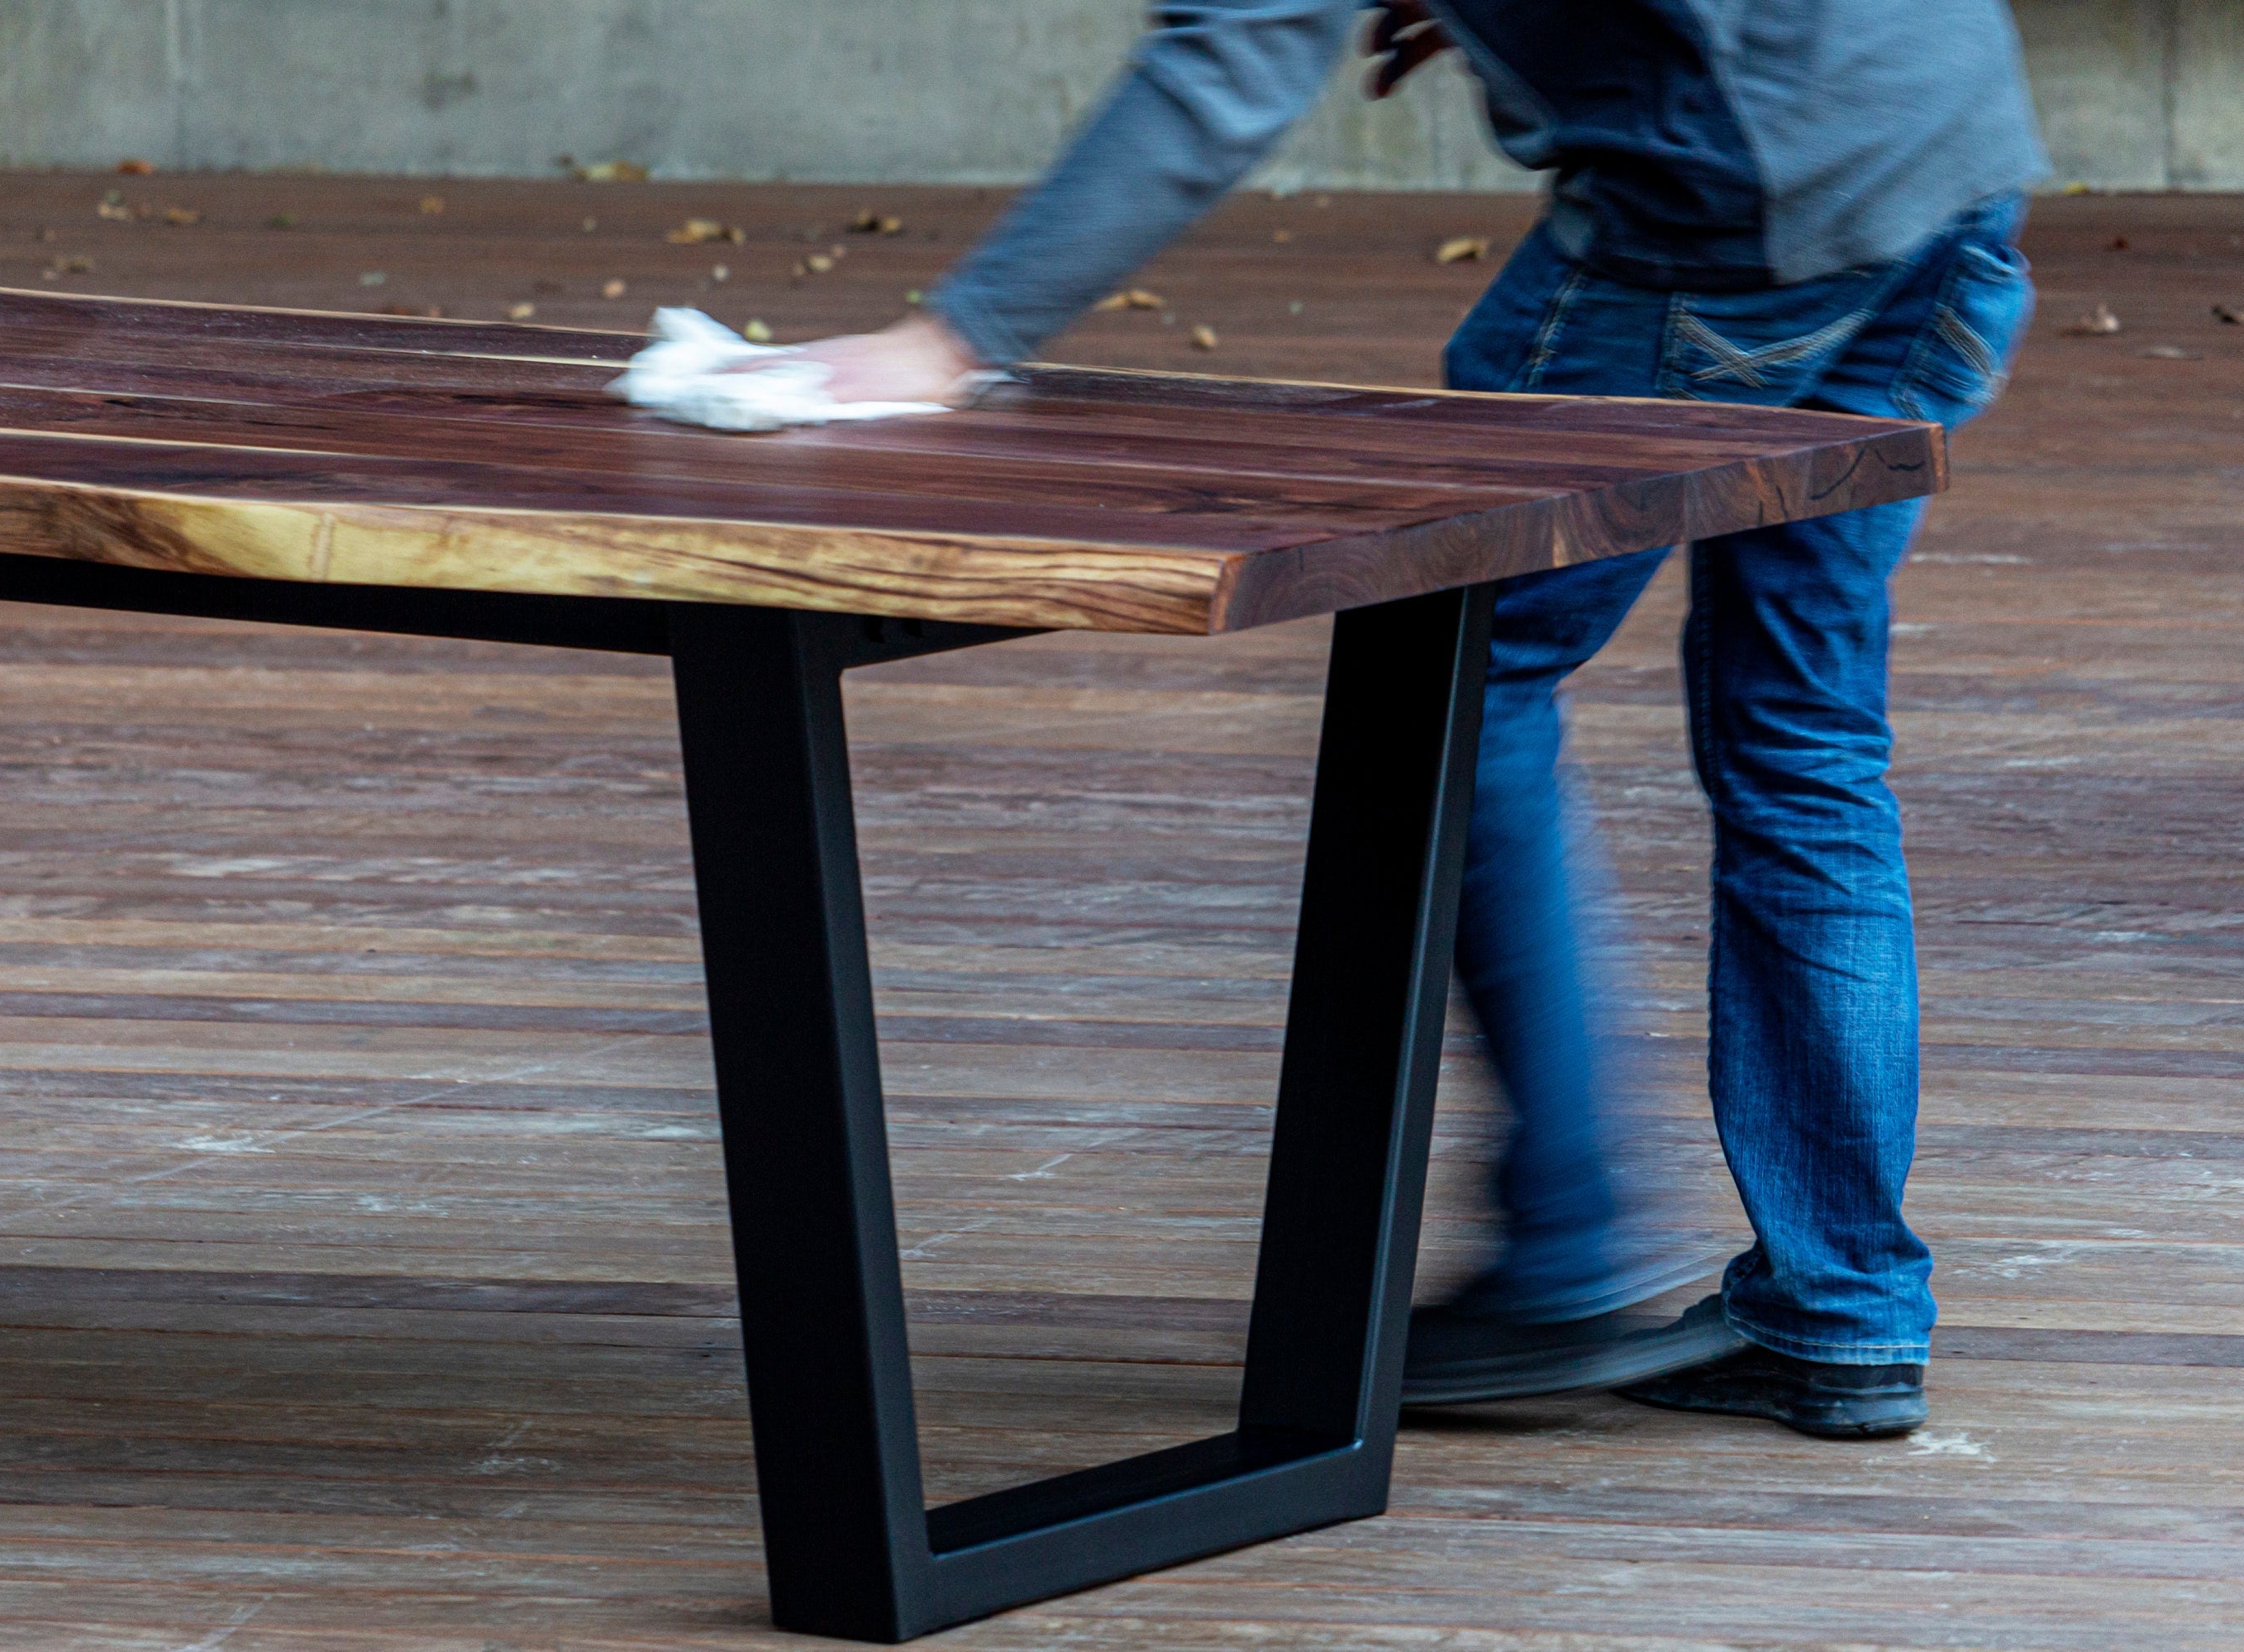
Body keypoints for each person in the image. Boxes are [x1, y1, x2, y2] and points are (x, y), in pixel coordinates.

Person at [776, 0, 2045, 1438]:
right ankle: (1843, 1310)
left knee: (1457, 667)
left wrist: (955, 340)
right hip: (1946, 161)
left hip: (1736, 215)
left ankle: (1568, 1243)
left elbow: (1230, 57)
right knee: (1805, 741)